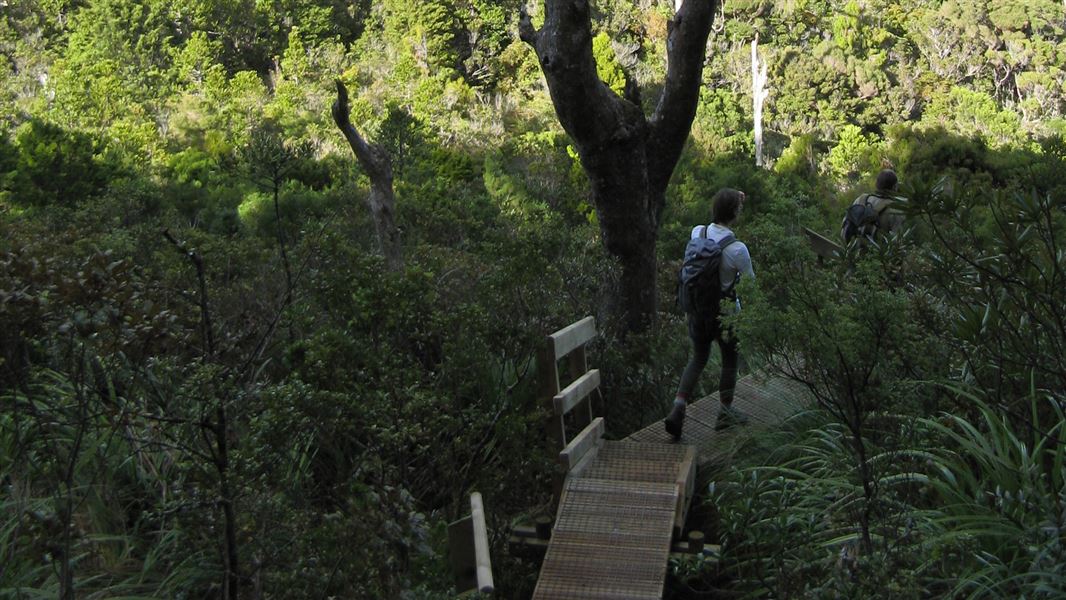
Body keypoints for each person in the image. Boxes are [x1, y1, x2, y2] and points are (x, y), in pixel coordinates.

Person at [665, 188, 755, 439]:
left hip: (697, 311)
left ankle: (678, 408)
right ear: (735, 214)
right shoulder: (738, 249)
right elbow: (751, 286)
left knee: (698, 358)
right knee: (729, 360)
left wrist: (731, 198)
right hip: (725, 314)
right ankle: (725, 413)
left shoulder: (698, 232)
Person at [840, 169, 905, 243]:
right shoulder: (895, 211)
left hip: (853, 250)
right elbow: (896, 243)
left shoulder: (862, 199)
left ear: (876, 184)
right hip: (876, 254)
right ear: (894, 187)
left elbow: (845, 225)